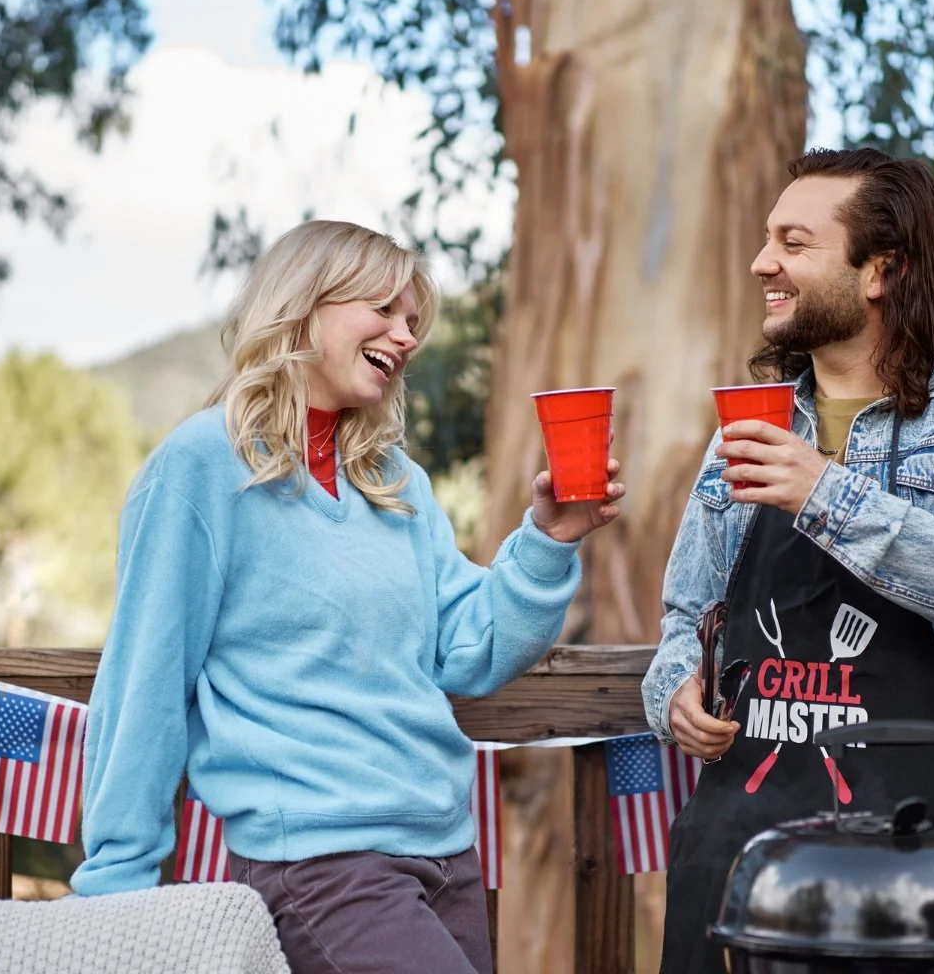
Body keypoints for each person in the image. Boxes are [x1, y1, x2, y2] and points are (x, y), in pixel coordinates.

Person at [71, 220, 625, 974]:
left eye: (413, 321)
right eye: (384, 310)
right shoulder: (202, 466)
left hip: (446, 857)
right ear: (304, 307)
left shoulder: (397, 483)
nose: (405, 336)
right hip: (320, 866)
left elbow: (471, 647)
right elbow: (146, 682)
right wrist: (116, 889)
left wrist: (550, 537)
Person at [642, 148, 934, 974]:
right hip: (740, 853)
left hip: (922, 862)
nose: (763, 262)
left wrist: (826, 496)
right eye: (768, 240)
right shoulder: (752, 424)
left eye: (794, 244)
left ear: (881, 269)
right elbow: (688, 613)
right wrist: (673, 692)